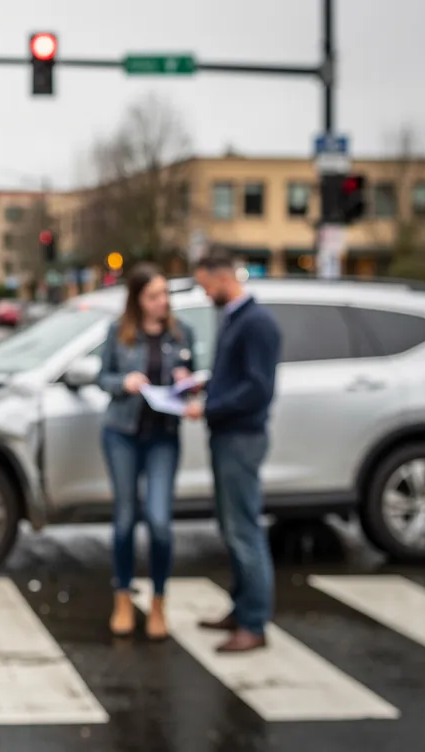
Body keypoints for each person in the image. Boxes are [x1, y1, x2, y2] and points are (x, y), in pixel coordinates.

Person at [184, 248, 281, 653]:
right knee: (231, 525)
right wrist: (203, 385)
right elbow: (237, 378)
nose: (205, 294)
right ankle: (242, 608)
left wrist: (210, 406)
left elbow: (258, 389)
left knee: (243, 528)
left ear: (222, 277)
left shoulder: (256, 323)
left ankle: (254, 622)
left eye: (206, 286)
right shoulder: (236, 319)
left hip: (241, 437)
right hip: (228, 435)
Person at [96, 264, 196, 640]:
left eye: (165, 294)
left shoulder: (181, 332)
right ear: (137, 299)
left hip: (163, 436)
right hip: (122, 432)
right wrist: (125, 382)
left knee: (159, 520)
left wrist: (187, 384)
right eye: (153, 296)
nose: (162, 302)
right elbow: (102, 377)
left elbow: (192, 378)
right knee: (124, 519)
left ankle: (158, 601)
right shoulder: (119, 332)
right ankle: (122, 596)